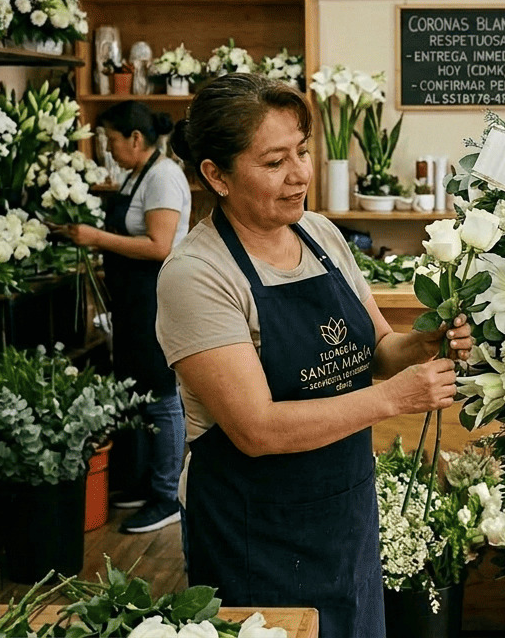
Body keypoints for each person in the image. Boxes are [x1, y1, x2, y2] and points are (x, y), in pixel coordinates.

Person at [156, 73, 470, 636]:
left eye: (302, 151)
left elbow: (379, 348)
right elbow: (257, 428)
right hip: (256, 533)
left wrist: (425, 343)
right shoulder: (197, 275)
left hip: (344, 516)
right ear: (216, 175)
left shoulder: (321, 235)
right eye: (274, 162)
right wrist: (392, 399)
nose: (300, 174)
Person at [59, 101, 192, 534]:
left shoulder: (164, 176)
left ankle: (168, 494)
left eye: (112, 140)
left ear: (136, 138)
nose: (109, 150)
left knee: (161, 394)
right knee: (135, 390)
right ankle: (140, 482)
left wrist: (94, 237)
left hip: (157, 298)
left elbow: (160, 245)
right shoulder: (138, 174)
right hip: (134, 302)